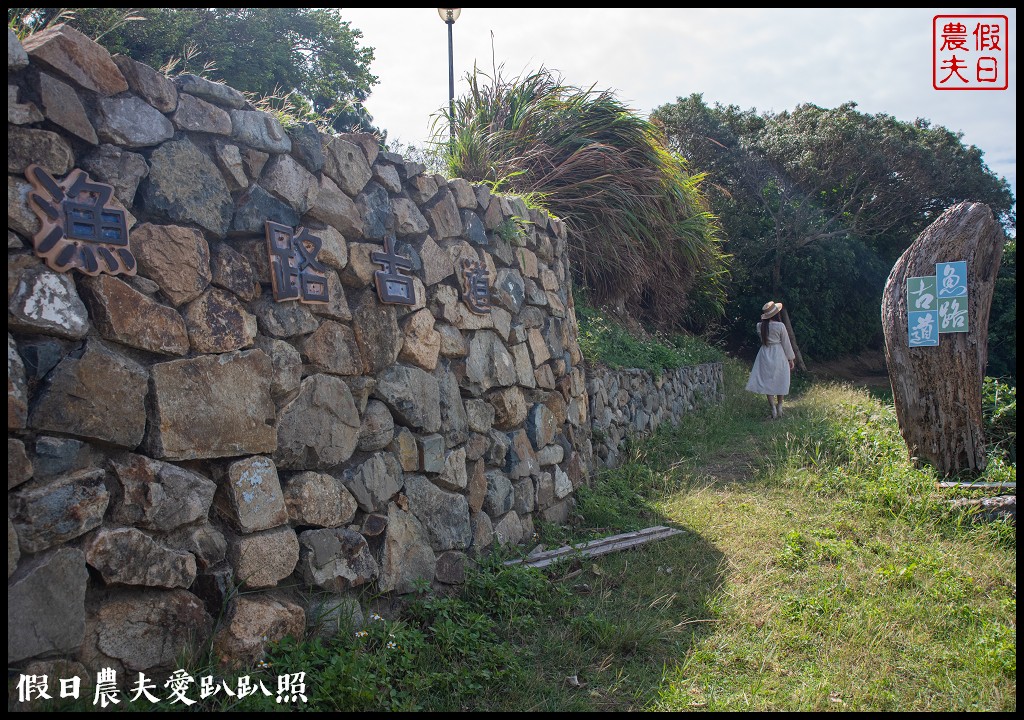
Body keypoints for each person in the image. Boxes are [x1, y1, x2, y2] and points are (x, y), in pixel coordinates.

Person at [745, 301, 796, 420]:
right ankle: (780, 406)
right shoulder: (780, 326)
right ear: (776, 314)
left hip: (765, 353)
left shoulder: (760, 326)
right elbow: (786, 343)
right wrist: (790, 358)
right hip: (778, 353)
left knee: (767, 381)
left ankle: (772, 408)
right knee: (780, 379)